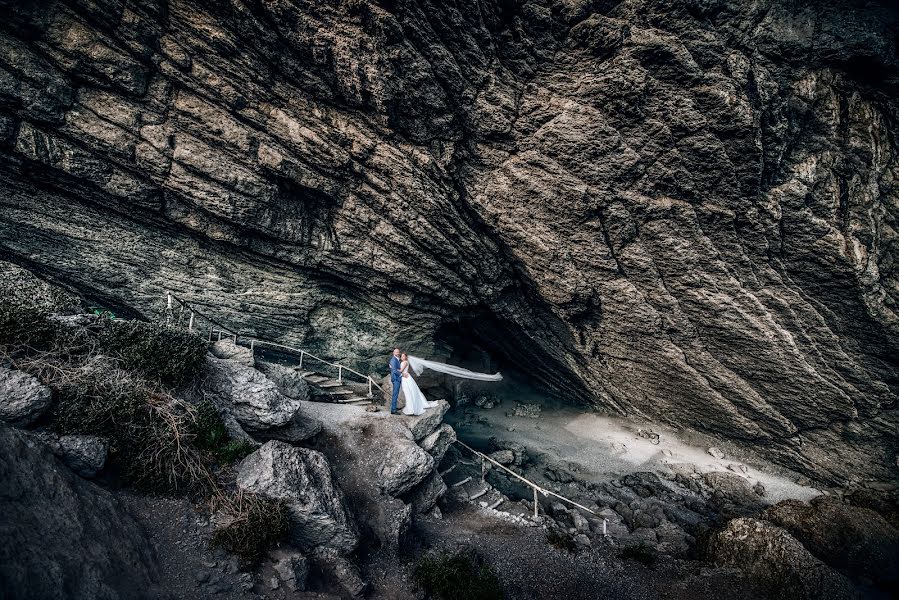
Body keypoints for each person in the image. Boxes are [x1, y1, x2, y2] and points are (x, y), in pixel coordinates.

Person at [388, 347, 402, 415]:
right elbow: (394, 370)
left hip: (397, 378)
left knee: (396, 394)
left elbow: (397, 368)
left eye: (398, 352)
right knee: (395, 394)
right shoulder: (393, 360)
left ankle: (394, 407)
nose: (397, 353)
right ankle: (393, 410)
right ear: (393, 353)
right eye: (396, 352)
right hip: (396, 378)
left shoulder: (397, 359)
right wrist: (401, 374)